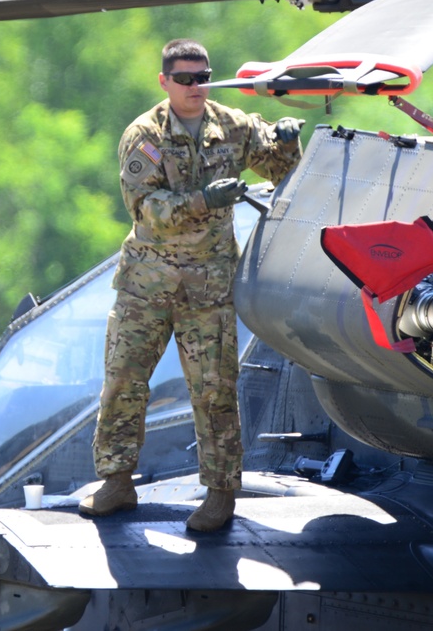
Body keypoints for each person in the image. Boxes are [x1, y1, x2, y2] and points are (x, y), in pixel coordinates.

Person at [79, 39, 304, 531]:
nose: (195, 86)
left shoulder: (233, 126)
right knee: (123, 383)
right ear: (164, 82)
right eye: (183, 79)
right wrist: (204, 199)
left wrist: (286, 141)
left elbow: (283, 173)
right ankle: (116, 481)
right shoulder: (145, 135)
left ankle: (221, 491)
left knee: (215, 391)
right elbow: (147, 210)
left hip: (209, 287)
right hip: (147, 286)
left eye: (202, 77)